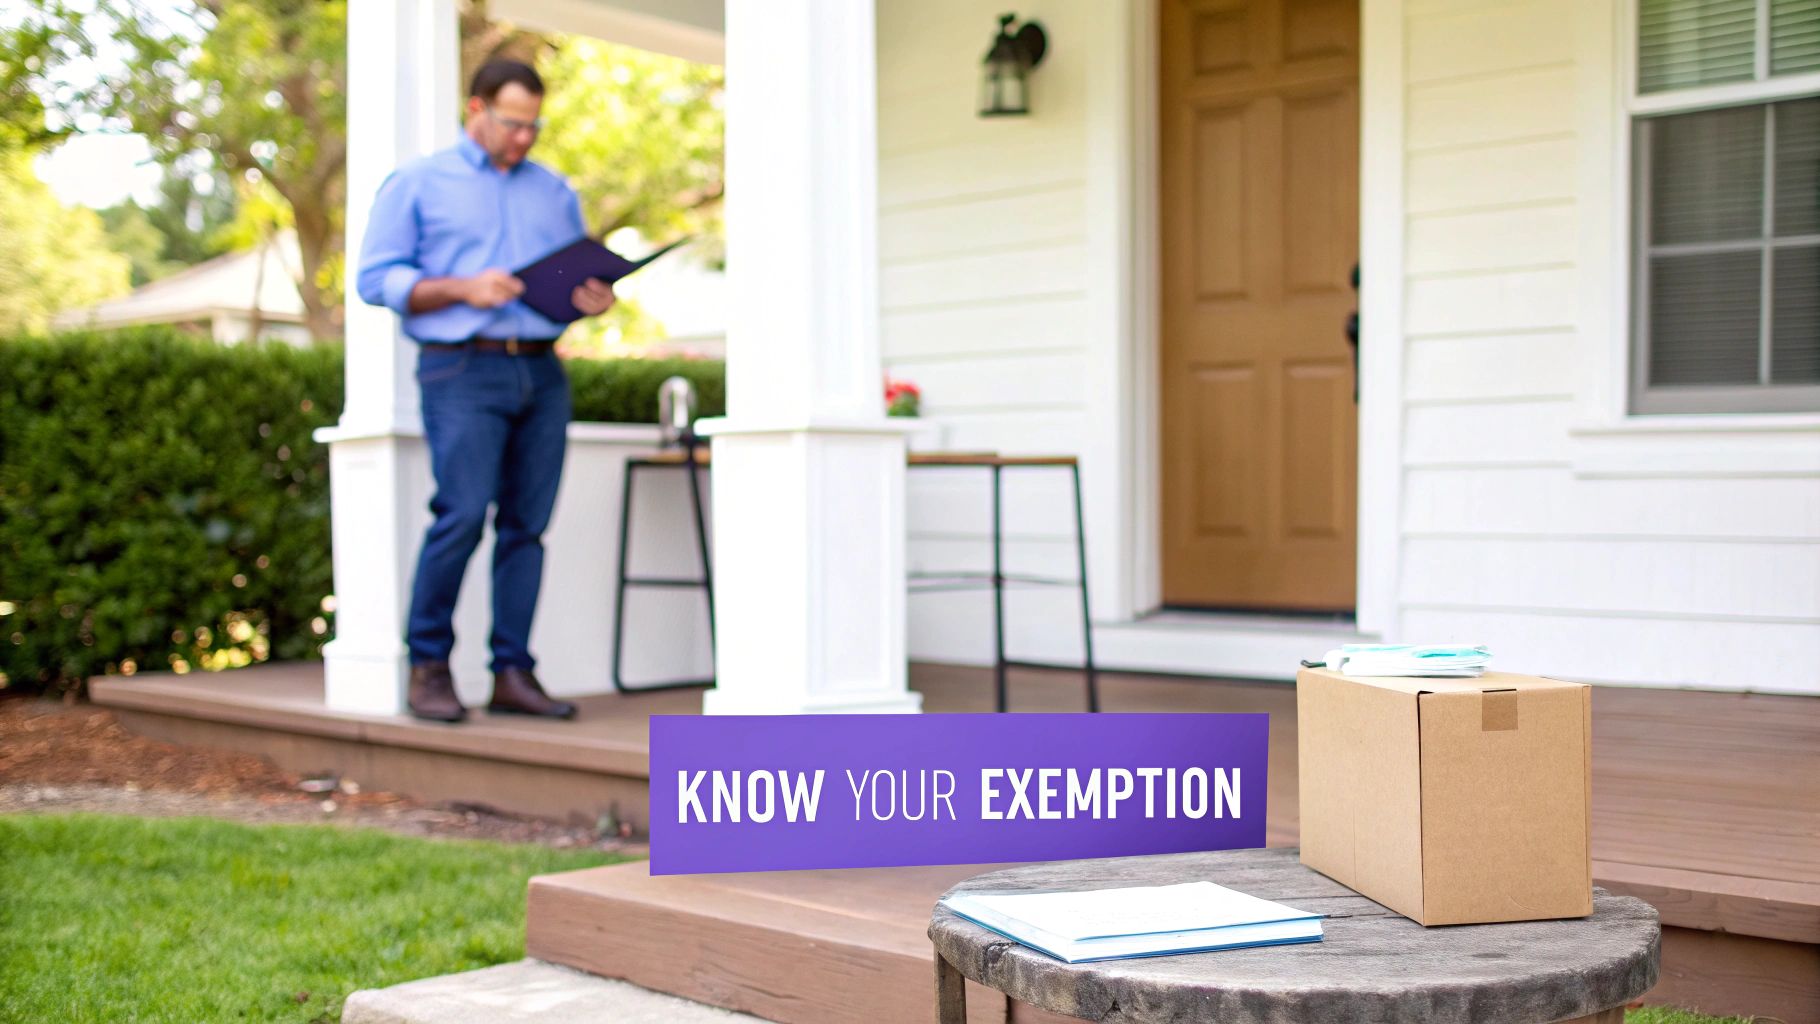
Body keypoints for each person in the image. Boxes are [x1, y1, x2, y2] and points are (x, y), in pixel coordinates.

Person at [355, 59, 615, 723]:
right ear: (476, 109)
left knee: (528, 527)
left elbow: (567, 280)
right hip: (461, 369)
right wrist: (462, 288)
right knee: (462, 515)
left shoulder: (554, 192)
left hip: (542, 370)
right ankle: (429, 667)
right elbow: (375, 280)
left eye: (533, 126)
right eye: (511, 123)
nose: (523, 137)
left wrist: (590, 298)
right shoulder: (418, 182)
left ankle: (512, 673)